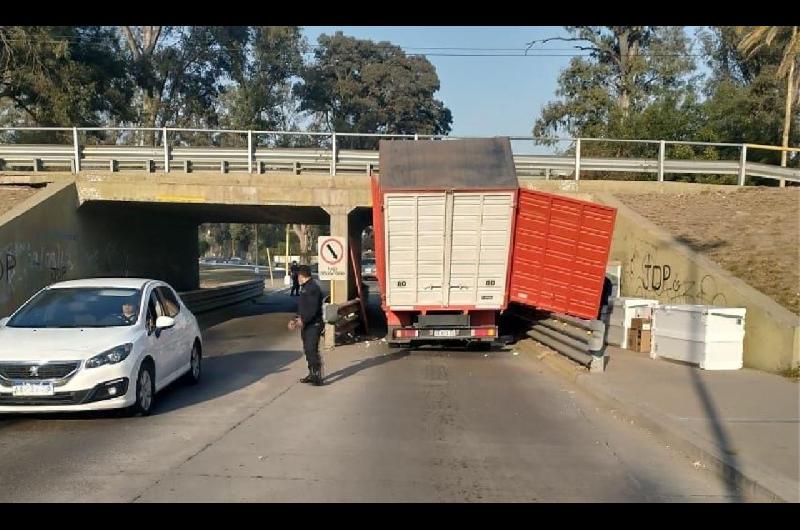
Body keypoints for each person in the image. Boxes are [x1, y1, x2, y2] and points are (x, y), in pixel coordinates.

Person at [293, 265, 324, 386]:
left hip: (313, 324)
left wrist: (303, 320)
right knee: (307, 349)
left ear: (301, 276)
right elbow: (302, 307)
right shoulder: (305, 288)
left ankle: (317, 375)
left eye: (298, 276)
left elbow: (312, 309)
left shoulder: (312, 288)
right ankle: (311, 373)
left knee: (311, 349)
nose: (297, 279)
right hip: (307, 325)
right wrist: (295, 319)